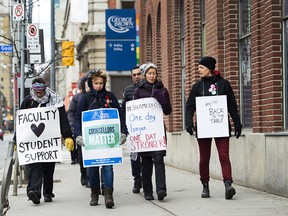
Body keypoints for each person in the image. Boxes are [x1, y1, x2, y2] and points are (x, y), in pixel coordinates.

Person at [185, 56, 242, 200]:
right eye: (198, 67)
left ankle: (228, 185)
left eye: (201, 67)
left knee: (224, 156)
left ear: (209, 68)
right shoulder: (197, 86)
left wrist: (237, 123)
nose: (199, 70)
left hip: (221, 126)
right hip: (204, 127)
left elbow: (232, 106)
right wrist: (189, 123)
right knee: (204, 158)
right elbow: (190, 106)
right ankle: (205, 185)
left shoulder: (224, 84)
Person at [74, 69, 127, 208]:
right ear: (91, 83)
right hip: (91, 141)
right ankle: (94, 194)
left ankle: (108, 195)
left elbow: (120, 115)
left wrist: (123, 132)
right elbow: (78, 117)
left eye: (101, 83)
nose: (99, 86)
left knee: (108, 166)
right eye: (96, 83)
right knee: (92, 168)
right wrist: (77, 135)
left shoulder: (110, 96)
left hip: (108, 140)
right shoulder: (85, 98)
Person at [17, 77, 74, 204]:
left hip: (49, 141)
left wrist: (67, 136)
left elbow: (63, 119)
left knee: (48, 168)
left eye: (41, 90)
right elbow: (20, 122)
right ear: (33, 89)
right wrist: (17, 139)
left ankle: (48, 192)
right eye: (36, 90)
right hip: (33, 142)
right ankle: (34, 192)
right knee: (35, 166)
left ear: (45, 89)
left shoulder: (55, 100)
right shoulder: (28, 101)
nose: (39, 93)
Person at [133, 63, 172, 201]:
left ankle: (161, 190)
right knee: (146, 162)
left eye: (154, 73)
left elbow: (168, 110)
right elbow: (134, 111)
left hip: (158, 131)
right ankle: (148, 191)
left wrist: (159, 97)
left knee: (159, 159)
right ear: (145, 75)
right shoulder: (138, 91)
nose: (152, 76)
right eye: (149, 73)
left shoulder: (162, 89)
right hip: (144, 132)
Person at [122, 66, 143, 193]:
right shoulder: (128, 91)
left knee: (146, 158)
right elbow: (124, 110)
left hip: (147, 130)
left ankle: (146, 181)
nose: (136, 76)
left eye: (139, 74)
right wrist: (125, 129)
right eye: (134, 75)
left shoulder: (149, 88)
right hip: (133, 130)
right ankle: (137, 180)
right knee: (134, 157)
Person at [67, 75, 89, 186]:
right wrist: (73, 129)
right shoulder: (77, 98)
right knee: (82, 155)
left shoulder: (101, 96)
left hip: (96, 132)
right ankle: (84, 174)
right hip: (82, 132)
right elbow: (71, 113)